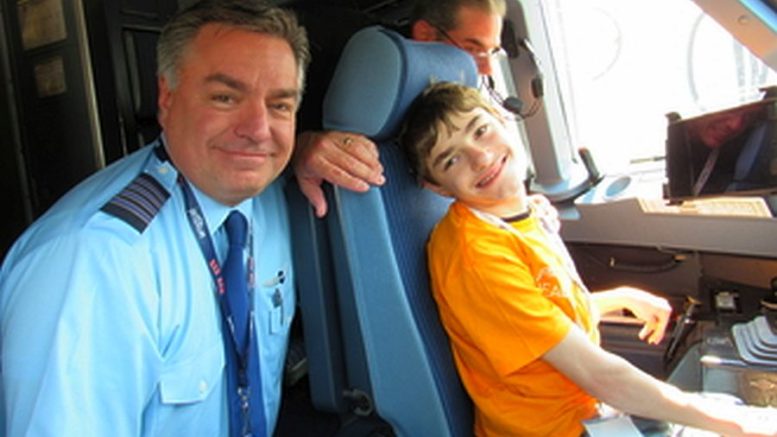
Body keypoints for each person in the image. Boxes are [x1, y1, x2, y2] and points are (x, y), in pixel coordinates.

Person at [398, 82, 777, 437]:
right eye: (451, 160)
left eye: (480, 130)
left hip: (586, 409)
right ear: (436, 187)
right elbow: (600, 376)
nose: (480, 157)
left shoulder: (517, 215)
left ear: (502, 119)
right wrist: (740, 425)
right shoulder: (476, 256)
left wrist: (620, 297)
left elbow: (535, 318)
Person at [0, 1, 309, 436]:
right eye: (225, 97)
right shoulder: (94, 263)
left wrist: (312, 148)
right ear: (166, 97)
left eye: (279, 106)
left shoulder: (273, 199)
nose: (259, 130)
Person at [293, 0, 514, 219]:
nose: (488, 69)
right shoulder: (336, 42)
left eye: (492, 52)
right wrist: (301, 144)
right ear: (426, 34)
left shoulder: (448, 103)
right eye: (473, 50)